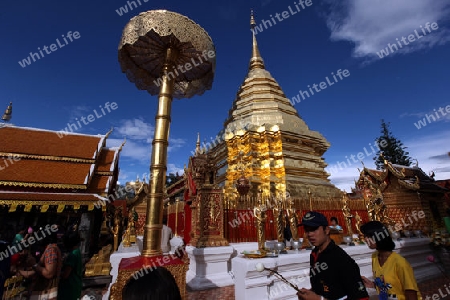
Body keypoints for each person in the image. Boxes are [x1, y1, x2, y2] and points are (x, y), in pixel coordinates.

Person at [297, 211, 369, 300]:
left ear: (326, 230)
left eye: (314, 229)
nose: (310, 234)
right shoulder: (315, 254)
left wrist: (319, 299)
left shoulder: (341, 259)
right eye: (307, 230)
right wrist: (310, 293)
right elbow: (326, 286)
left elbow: (361, 298)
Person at [360, 221, 421, 300]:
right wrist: (372, 285)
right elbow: (388, 286)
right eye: (365, 236)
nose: (365, 239)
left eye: (368, 236)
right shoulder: (375, 257)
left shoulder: (400, 263)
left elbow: (411, 292)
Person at [19, 227, 62, 300]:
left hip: (45, 293)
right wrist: (19, 271)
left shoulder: (51, 250)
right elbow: (37, 271)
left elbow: (49, 273)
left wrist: (34, 264)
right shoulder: (50, 249)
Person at [57, 232, 82, 300]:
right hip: (76, 283)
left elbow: (66, 274)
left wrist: (56, 273)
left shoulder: (72, 255)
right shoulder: (77, 252)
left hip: (70, 286)